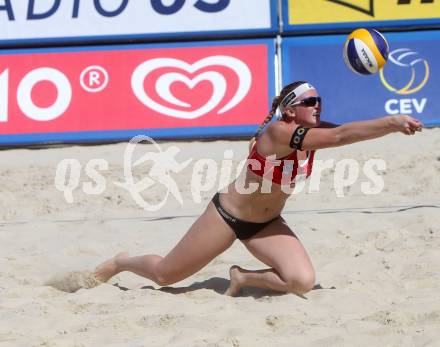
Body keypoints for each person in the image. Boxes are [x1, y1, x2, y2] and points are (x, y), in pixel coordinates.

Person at [94, 81, 422, 296]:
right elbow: (340, 136)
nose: (317, 105)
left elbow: (349, 131)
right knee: (166, 276)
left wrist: (389, 127)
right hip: (226, 216)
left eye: (319, 100)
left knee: (301, 281)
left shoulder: (312, 135)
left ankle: (244, 277)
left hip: (266, 224)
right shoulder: (279, 132)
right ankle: (122, 262)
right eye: (310, 101)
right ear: (290, 110)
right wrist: (392, 122)